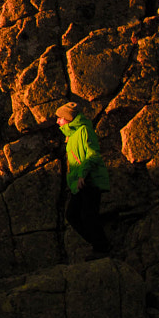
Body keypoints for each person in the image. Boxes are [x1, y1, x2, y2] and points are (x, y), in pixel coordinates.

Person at [57, 100, 113, 258]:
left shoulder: (84, 131)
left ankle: (102, 248)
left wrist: (82, 174)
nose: (57, 121)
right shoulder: (72, 135)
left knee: (88, 216)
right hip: (80, 183)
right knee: (73, 216)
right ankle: (100, 245)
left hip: (90, 180)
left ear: (67, 119)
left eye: (60, 118)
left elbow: (93, 154)